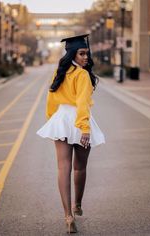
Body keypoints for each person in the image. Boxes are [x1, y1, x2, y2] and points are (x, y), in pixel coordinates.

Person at [37, 34, 105, 234]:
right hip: (78, 119)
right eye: (82, 53)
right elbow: (82, 103)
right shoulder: (82, 75)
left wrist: (52, 121)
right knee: (80, 168)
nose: (86, 57)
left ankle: (68, 216)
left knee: (62, 168)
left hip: (61, 120)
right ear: (73, 53)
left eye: (86, 53)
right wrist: (84, 128)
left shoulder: (59, 72)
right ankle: (77, 205)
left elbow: (51, 100)